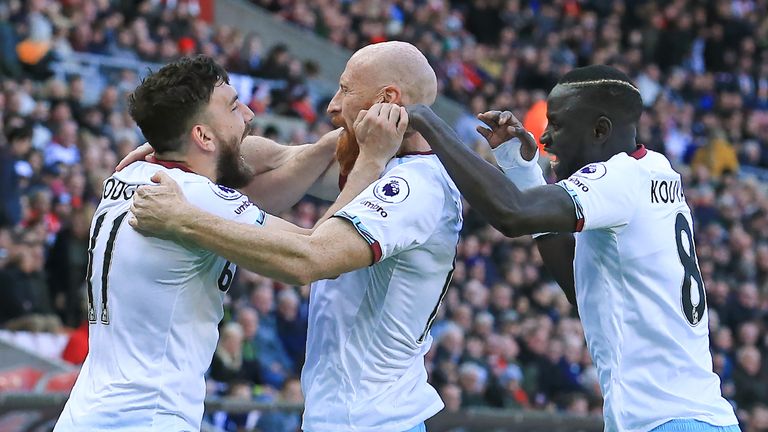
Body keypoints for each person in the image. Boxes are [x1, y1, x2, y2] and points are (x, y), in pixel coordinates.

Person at [129, 41, 462, 432]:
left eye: (346, 90)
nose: (332, 105)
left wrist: (183, 218)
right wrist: (184, 144)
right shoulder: (378, 163)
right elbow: (277, 158)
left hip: (371, 421)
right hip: (344, 418)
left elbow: (311, 258)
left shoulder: (412, 187)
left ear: (387, 100)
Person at [391, 65, 739, 431]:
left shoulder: (618, 179)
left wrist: (432, 125)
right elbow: (584, 291)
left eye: (557, 124)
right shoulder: (656, 169)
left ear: (600, 130)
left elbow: (512, 215)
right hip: (695, 417)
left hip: (664, 422)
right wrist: (522, 170)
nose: (545, 138)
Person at [53, 55, 340, 431]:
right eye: (234, 106)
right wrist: (367, 161)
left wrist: (323, 147)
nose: (250, 114)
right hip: (148, 417)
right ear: (202, 136)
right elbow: (317, 252)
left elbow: (252, 163)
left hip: (86, 413)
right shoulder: (196, 196)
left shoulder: (128, 174)